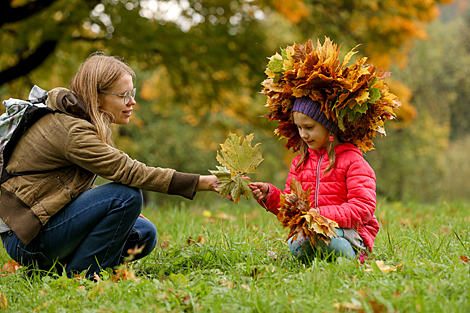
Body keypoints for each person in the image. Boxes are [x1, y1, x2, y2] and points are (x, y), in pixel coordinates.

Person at [0, 53, 219, 277]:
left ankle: (54, 273)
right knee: (126, 196)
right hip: (27, 240)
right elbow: (128, 171)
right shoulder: (73, 130)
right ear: (96, 97)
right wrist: (203, 182)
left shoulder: (74, 118)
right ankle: (83, 277)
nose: (132, 102)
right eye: (124, 95)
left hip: (38, 228)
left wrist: (99, 206)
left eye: (131, 93)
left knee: (143, 233)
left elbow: (55, 184)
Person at [249, 38, 401, 261]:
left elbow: (363, 209)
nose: (303, 134)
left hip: (348, 234)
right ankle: (312, 252)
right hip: (311, 231)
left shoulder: (353, 162)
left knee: (326, 242)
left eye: (309, 127)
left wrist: (321, 215)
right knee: (298, 244)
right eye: (299, 127)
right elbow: (293, 207)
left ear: (329, 126)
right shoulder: (300, 162)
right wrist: (271, 196)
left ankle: (346, 256)